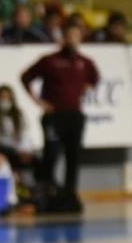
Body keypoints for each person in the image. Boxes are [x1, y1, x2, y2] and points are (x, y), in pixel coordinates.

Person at [20, 21, 98, 212]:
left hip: (75, 116)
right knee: (51, 155)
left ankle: (70, 195)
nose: (73, 40)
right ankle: (49, 194)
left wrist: (83, 90)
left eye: (76, 36)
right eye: (69, 36)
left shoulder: (84, 62)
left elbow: (94, 78)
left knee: (74, 157)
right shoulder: (49, 60)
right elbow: (25, 77)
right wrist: (38, 101)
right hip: (54, 116)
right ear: (63, 38)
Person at [0, 85, 39, 183]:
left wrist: (26, 150)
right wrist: (17, 150)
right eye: (2, 97)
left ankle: (32, 185)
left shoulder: (18, 115)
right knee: (12, 155)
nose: (5, 100)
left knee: (37, 158)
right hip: (0, 148)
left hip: (19, 149)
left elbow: (25, 135)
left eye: (8, 97)